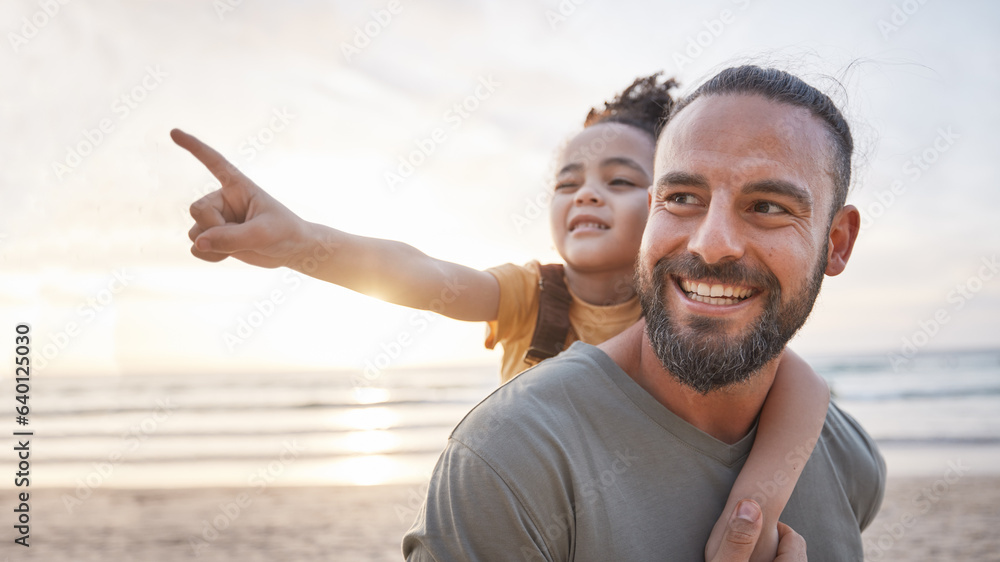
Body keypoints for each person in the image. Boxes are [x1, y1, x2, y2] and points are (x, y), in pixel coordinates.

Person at [173, 73, 833, 561]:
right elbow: (422, 273)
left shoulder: (690, 309)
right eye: (568, 182)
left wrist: (753, 512)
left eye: (621, 181)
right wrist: (297, 243)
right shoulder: (533, 296)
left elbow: (798, 384)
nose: (587, 195)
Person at [400, 65, 885, 561]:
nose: (712, 244)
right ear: (654, 210)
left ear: (837, 243)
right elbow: (419, 273)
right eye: (682, 198)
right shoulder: (506, 463)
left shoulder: (851, 461)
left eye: (767, 206)